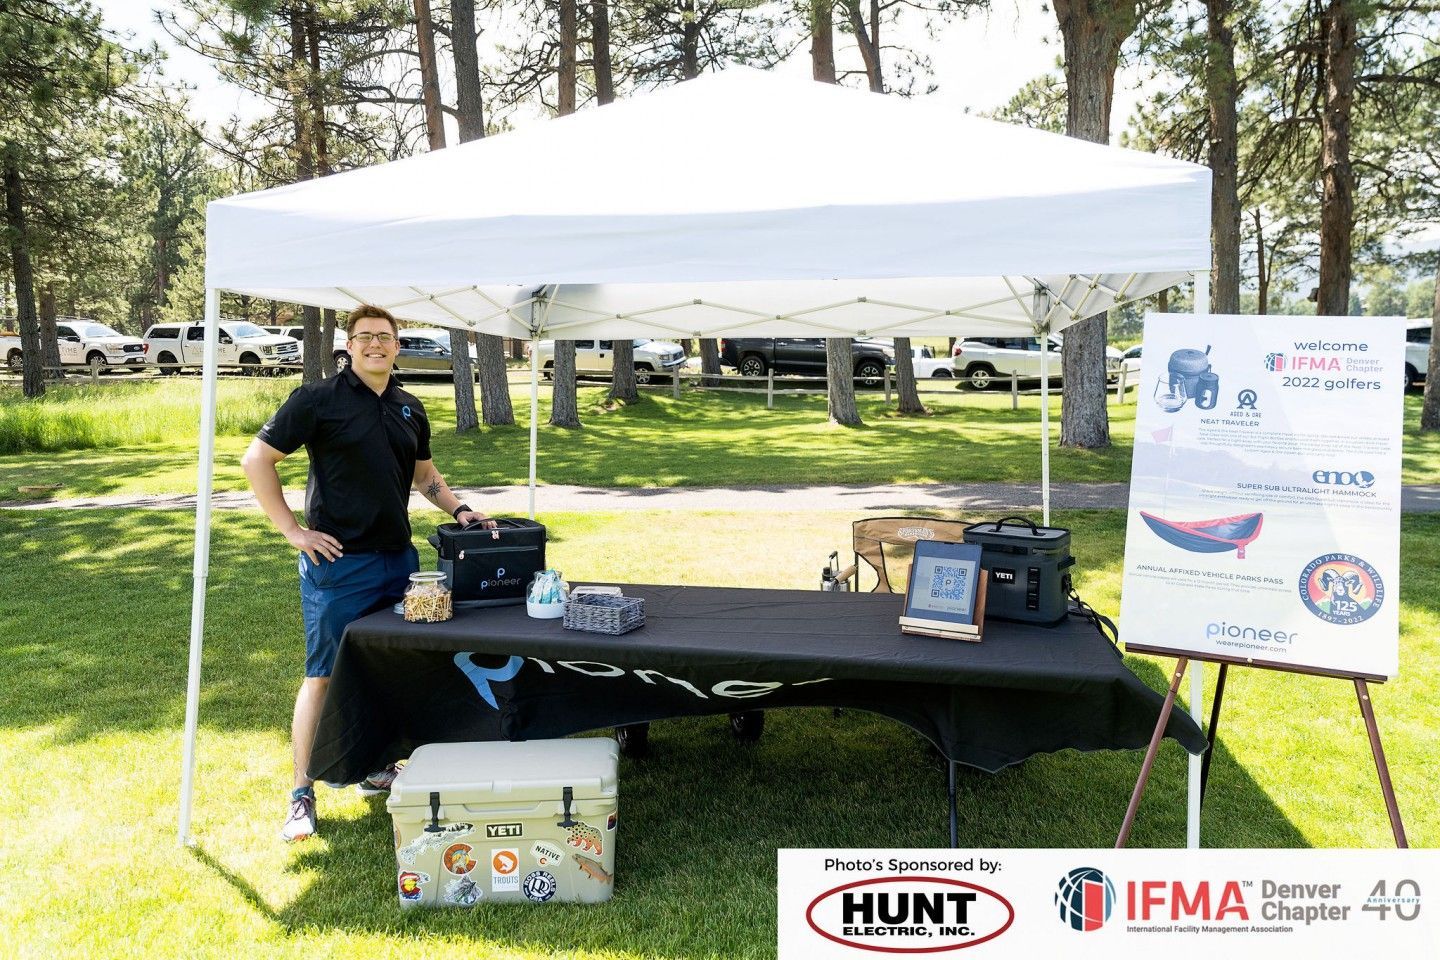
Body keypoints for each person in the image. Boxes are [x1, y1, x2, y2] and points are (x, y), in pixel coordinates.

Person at [241, 304, 495, 842]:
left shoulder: (408, 407)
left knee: (386, 667)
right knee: (325, 674)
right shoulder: (317, 400)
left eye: (385, 337)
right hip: (338, 565)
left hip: (400, 563)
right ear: (349, 345)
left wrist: (458, 509)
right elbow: (256, 460)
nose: (375, 345)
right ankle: (301, 794)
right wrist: (293, 531)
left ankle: (375, 765)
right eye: (364, 337)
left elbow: (424, 475)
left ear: (397, 346)